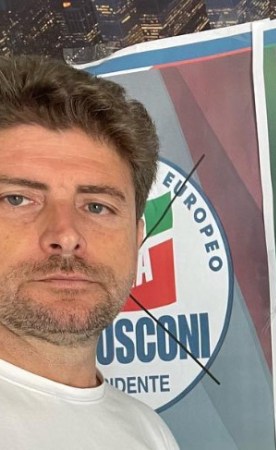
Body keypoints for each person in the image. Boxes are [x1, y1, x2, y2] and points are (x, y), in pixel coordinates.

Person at [0, 55, 179, 449]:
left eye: (97, 206)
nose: (66, 235)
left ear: (137, 238)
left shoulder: (149, 432)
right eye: (18, 199)